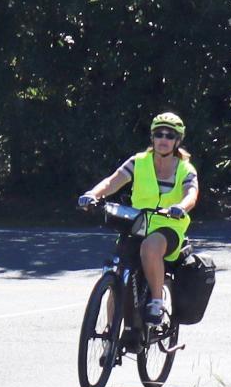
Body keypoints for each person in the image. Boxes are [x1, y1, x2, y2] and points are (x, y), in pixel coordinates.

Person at [79, 112, 199, 326]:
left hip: (168, 226)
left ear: (177, 141)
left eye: (170, 136)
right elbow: (113, 181)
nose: (163, 139)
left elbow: (191, 193)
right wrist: (93, 194)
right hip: (137, 224)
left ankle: (156, 301)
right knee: (118, 273)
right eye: (159, 134)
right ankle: (111, 336)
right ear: (152, 138)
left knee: (150, 248)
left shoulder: (184, 168)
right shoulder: (139, 162)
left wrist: (181, 207)